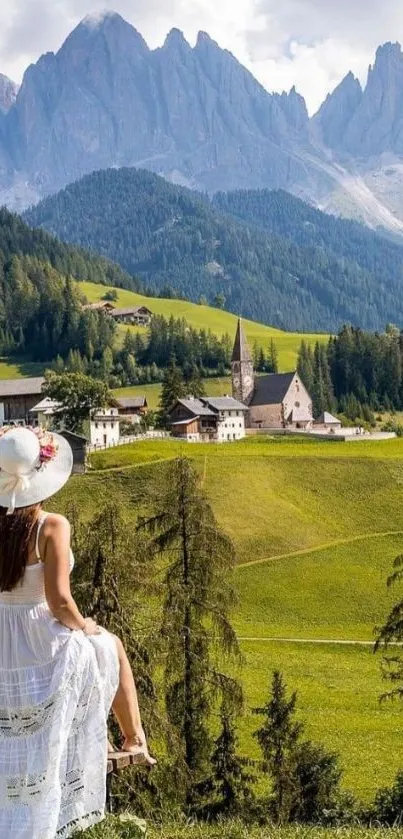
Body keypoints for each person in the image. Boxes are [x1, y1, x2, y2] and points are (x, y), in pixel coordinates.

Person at [0, 426, 155, 838]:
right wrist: (86, 626)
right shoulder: (50, 526)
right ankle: (133, 738)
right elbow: (59, 601)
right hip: (38, 641)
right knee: (109, 645)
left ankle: (121, 739)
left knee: (98, 648)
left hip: (4, 641)